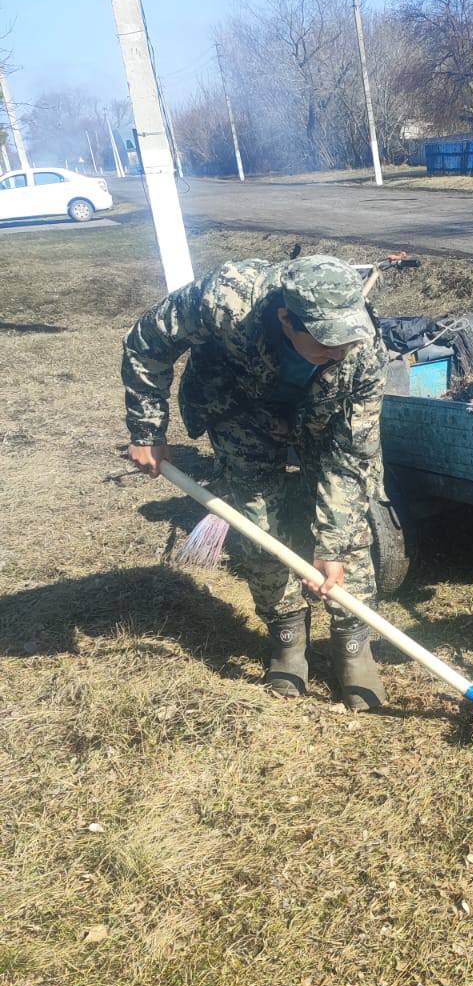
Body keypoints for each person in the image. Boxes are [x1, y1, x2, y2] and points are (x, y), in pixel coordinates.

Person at [123, 254, 388, 710]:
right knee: (256, 519)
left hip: (327, 418)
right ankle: (286, 635)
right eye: (326, 341)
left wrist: (332, 547)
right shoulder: (227, 298)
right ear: (286, 318)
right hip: (240, 403)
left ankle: (352, 643)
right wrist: (148, 430)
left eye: (347, 338)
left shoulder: (363, 353)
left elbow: (350, 457)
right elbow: (147, 341)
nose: (339, 350)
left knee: (351, 523)